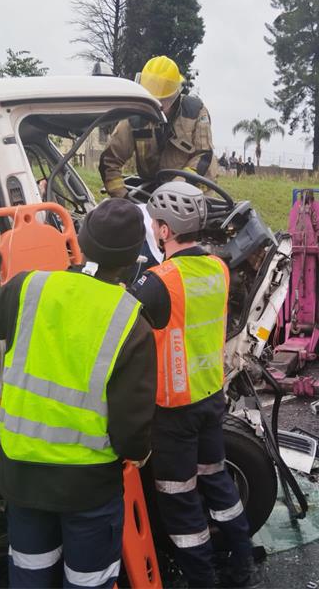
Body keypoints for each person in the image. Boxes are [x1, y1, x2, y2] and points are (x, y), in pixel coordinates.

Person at [0, 200, 157, 588]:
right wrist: (139, 454)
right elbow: (130, 426)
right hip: (89, 490)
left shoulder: (29, 287)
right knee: (88, 582)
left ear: (80, 244)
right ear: (134, 258)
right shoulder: (131, 322)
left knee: (32, 576)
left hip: (22, 477)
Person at [130, 181, 256, 588]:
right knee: (217, 483)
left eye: (154, 223)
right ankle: (242, 567)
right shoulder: (218, 268)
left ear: (164, 231)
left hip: (173, 411)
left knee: (180, 502)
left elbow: (121, 321)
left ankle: (202, 580)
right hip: (209, 397)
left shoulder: (159, 280)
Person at [99, 56, 218, 198]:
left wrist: (179, 186)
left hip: (193, 191)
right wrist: (123, 199)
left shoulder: (195, 112)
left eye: (162, 100)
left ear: (175, 95)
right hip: (153, 189)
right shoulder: (135, 118)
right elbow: (110, 161)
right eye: (151, 98)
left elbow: (203, 155)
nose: (156, 105)